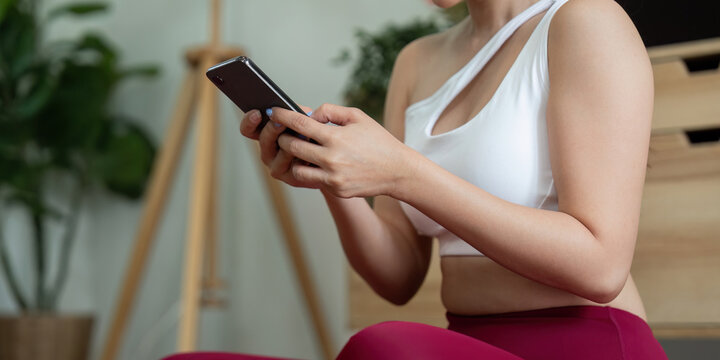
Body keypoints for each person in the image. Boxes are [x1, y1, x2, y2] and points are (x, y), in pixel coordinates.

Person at [171, 0, 668, 359]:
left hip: (588, 342)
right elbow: (398, 275)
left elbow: (602, 268)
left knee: (385, 347)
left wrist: (404, 173)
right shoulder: (417, 60)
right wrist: (330, 174)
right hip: (464, 344)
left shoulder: (585, 22)